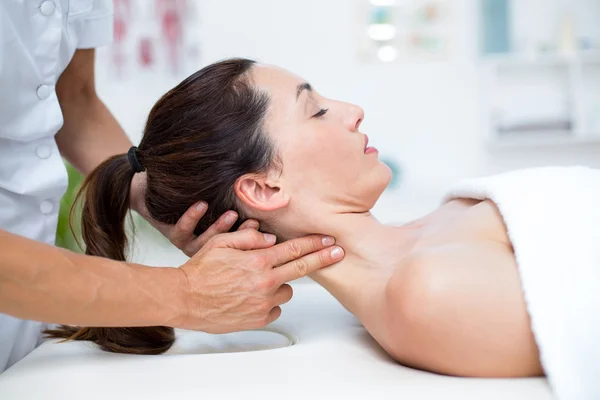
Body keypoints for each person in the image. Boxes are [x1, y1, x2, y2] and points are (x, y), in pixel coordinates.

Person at [47, 57, 546, 379]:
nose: (353, 110)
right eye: (317, 111)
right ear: (264, 187)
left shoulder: (431, 233)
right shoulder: (428, 293)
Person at [0, 2, 343, 373]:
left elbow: (75, 100)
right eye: (316, 111)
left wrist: (155, 197)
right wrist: (186, 294)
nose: (353, 111)